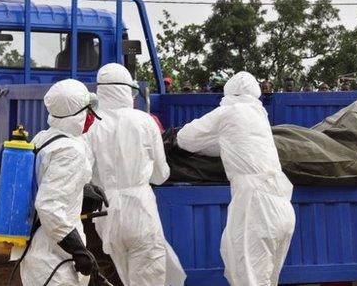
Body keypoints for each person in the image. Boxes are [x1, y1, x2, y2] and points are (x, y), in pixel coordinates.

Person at [176, 71, 295, 286]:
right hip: (281, 203)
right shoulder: (259, 115)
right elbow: (231, 144)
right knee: (265, 279)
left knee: (249, 277)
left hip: (257, 206)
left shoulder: (229, 112)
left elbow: (186, 139)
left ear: (230, 92)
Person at [84, 64, 186, 286]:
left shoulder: (93, 128)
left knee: (127, 277)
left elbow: (87, 177)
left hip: (108, 216)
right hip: (140, 211)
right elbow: (160, 175)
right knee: (149, 277)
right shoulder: (144, 121)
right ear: (127, 90)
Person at [21, 79, 101, 286]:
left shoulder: (44, 138)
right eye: (88, 110)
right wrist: (78, 250)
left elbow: (44, 179)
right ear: (78, 113)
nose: (91, 115)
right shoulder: (70, 151)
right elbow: (48, 205)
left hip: (40, 251)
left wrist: (82, 188)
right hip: (54, 257)